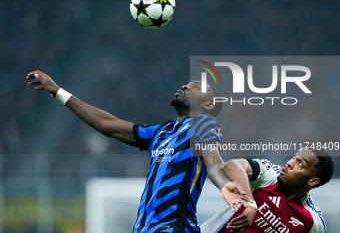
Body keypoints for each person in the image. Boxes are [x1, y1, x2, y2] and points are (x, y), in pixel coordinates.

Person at [26, 70, 252, 233]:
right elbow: (109, 125)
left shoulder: (204, 123)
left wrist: (223, 185)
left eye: (195, 87)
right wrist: (59, 92)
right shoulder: (162, 132)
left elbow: (213, 162)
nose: (185, 86)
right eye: (187, 84)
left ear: (209, 105)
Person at [201, 147, 335, 233]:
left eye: (300, 163)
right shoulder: (270, 175)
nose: (290, 163)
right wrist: (250, 205)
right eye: (294, 157)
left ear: (313, 181)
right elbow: (233, 165)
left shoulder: (313, 223)